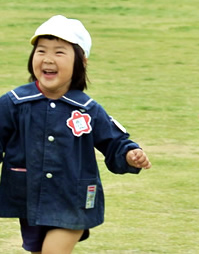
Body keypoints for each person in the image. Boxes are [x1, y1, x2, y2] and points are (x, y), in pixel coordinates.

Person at [0, 15, 151, 253]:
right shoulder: (14, 103)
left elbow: (115, 142)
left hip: (74, 198)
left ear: (81, 61)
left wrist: (130, 154)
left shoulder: (87, 108)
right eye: (41, 51)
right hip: (30, 197)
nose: (48, 59)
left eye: (59, 52)